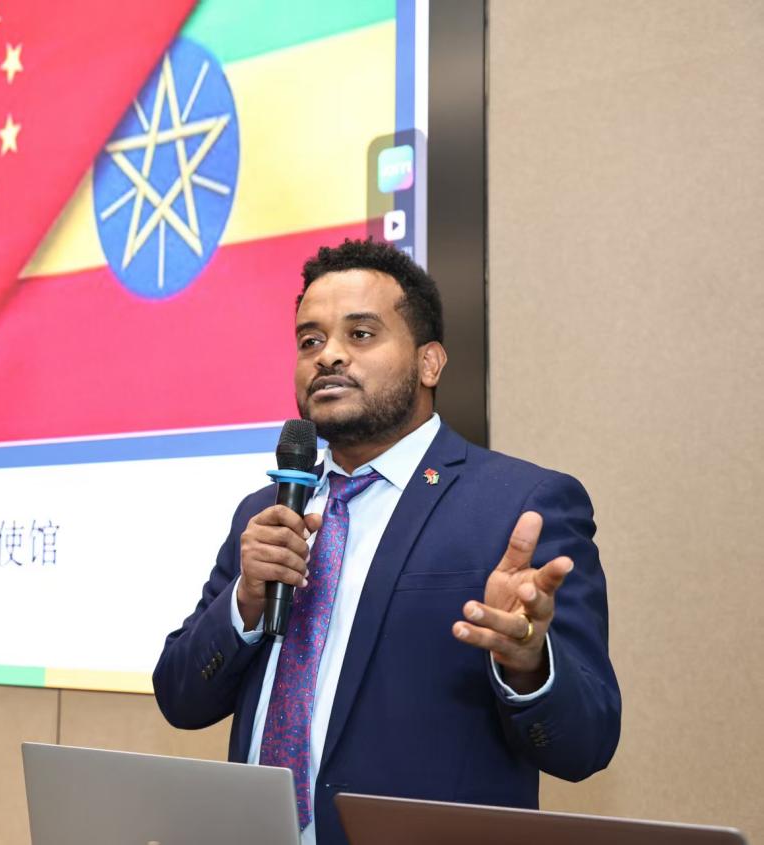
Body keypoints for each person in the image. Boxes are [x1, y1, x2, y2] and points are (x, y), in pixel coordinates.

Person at [153, 240, 620, 845]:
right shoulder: (267, 511)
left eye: (361, 334)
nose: (328, 356)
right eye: (310, 341)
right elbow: (181, 700)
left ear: (430, 363)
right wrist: (244, 603)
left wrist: (529, 663)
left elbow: (586, 744)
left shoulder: (519, 506)